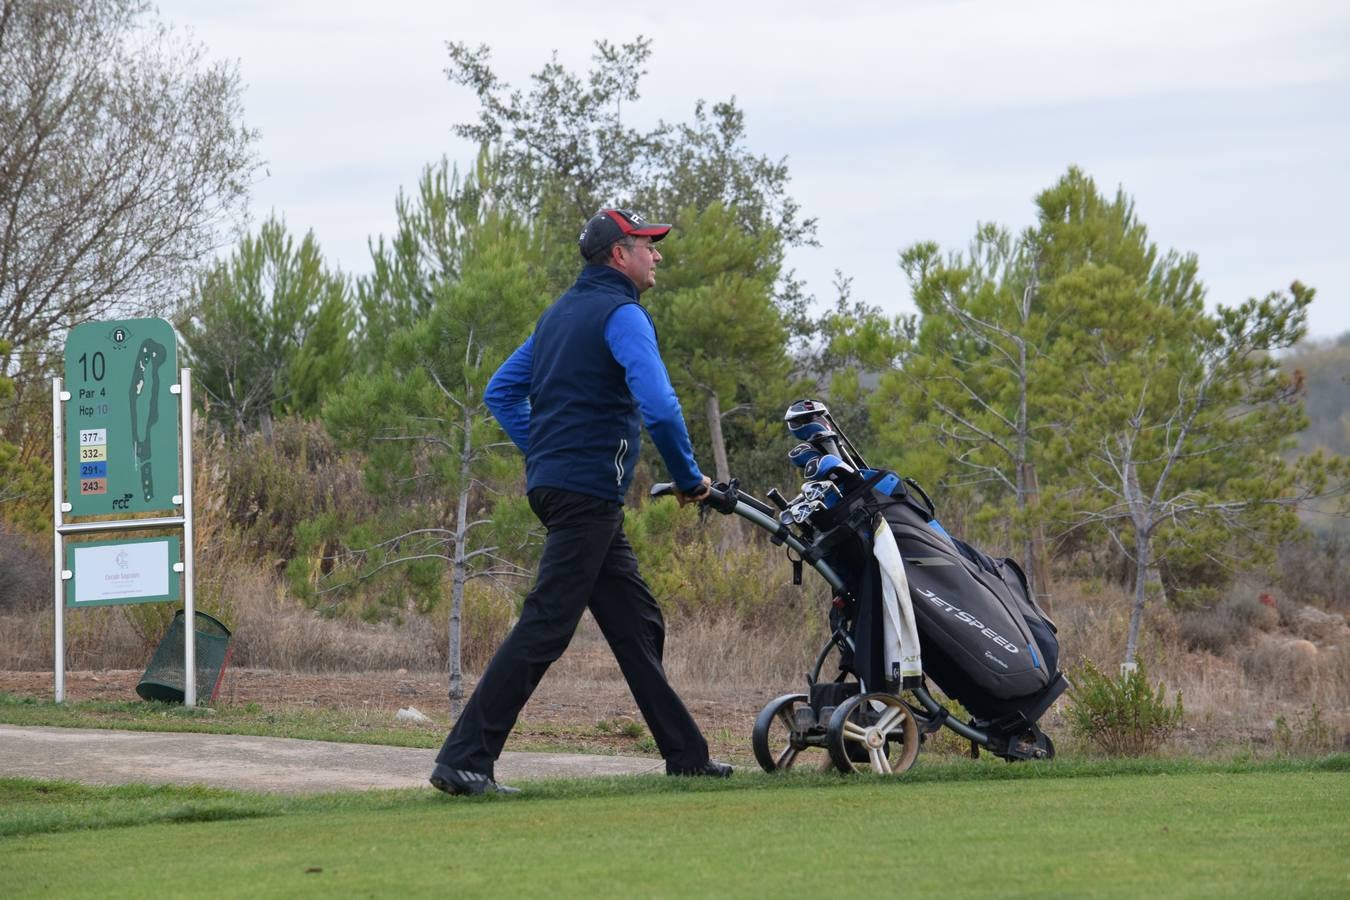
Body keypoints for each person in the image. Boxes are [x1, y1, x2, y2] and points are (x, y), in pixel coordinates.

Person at [429, 208, 733, 796]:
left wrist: (542, 448)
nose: (658, 255)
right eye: (649, 245)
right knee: (545, 626)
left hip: (560, 487)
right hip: (587, 491)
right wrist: (690, 478)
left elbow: (501, 391)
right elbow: (663, 408)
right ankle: (464, 759)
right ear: (620, 254)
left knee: (636, 620)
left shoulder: (557, 316)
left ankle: (686, 755)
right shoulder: (623, 315)